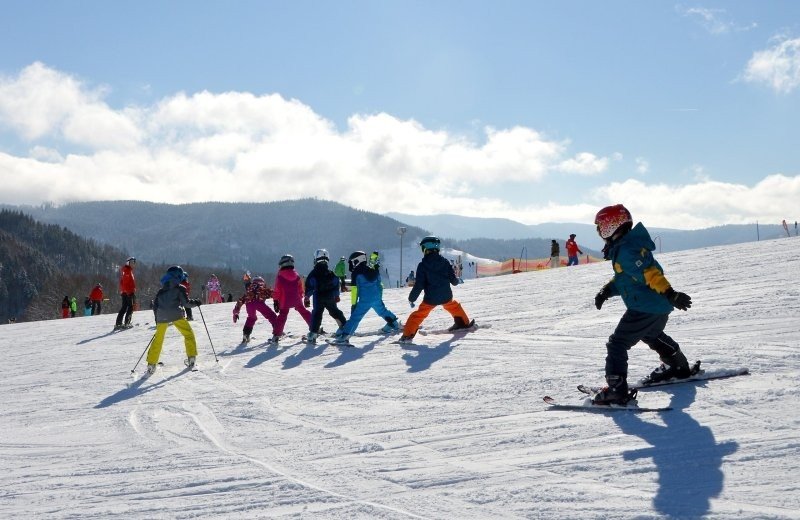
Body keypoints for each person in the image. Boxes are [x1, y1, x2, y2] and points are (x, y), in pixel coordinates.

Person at [591, 204, 694, 405]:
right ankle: (677, 365)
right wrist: (606, 291)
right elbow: (625, 279)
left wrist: (670, 293)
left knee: (617, 344)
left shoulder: (627, 251)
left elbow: (650, 275)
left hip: (645, 307)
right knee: (651, 334)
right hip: (658, 307)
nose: (601, 233)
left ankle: (616, 389)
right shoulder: (626, 247)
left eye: (601, 228)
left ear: (613, 226)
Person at [400, 236, 473, 343]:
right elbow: (453, 280)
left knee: (418, 315)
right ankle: (463, 323)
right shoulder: (445, 262)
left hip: (431, 299)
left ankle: (407, 335)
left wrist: (412, 298)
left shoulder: (422, 266)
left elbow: (419, 285)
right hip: (446, 295)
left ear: (425, 249)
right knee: (454, 306)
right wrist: (457, 281)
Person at [332, 251, 401, 343]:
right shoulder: (373, 270)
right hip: (376, 298)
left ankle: (345, 336)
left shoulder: (356, 273)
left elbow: (355, 290)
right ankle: (394, 323)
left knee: (355, 317)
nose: (352, 264)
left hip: (365, 300)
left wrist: (354, 304)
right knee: (382, 311)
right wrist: (379, 298)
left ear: (358, 260)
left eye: (353, 262)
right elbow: (380, 286)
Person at [145, 266, 202, 375]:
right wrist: (197, 302)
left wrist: (158, 320)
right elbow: (186, 303)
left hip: (161, 316)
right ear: (178, 275)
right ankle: (191, 358)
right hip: (176, 315)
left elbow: (155, 306)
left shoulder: (161, 291)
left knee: (158, 339)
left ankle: (151, 364)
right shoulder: (180, 288)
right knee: (188, 334)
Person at [304, 249, 347, 344]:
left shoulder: (313, 273)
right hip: (330, 296)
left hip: (318, 297)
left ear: (315, 259)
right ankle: (344, 327)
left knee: (317, 314)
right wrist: (336, 295)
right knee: (334, 311)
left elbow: (310, 285)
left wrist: (307, 297)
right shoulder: (330, 273)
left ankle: (313, 334)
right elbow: (336, 283)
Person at [271, 254, 312, 343]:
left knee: (282, 317)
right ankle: (314, 327)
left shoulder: (280, 276)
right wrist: (300, 298)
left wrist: (275, 301)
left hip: (284, 301)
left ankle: (276, 336)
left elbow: (277, 290)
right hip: (297, 300)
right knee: (304, 312)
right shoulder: (296, 276)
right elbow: (300, 289)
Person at [232, 275, 279, 344]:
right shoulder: (261, 288)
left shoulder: (249, 290)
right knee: (271, 316)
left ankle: (246, 334)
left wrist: (236, 312)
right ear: (262, 282)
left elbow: (241, 300)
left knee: (251, 318)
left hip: (249, 304)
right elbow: (272, 293)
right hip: (259, 302)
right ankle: (277, 333)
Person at [114, 257, 136, 330]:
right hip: (128, 292)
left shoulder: (126, 270)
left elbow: (122, 282)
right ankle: (127, 323)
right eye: (131, 262)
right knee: (130, 307)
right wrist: (128, 292)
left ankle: (118, 324)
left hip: (125, 292)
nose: (133, 264)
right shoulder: (127, 271)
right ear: (128, 263)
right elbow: (125, 283)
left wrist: (123, 291)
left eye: (134, 262)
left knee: (124, 307)